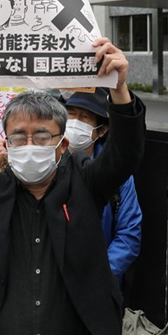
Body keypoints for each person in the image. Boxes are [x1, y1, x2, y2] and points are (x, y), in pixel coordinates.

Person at [0, 38, 145, 335]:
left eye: (41, 136)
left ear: (62, 145)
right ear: (5, 143)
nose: (29, 145)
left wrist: (119, 89)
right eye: (18, 137)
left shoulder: (85, 182)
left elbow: (125, 156)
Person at [63, 88, 142, 285]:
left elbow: (129, 234)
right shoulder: (47, 165)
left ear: (102, 129)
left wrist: (101, 276)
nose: (75, 122)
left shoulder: (118, 176)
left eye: (84, 117)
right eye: (71, 114)